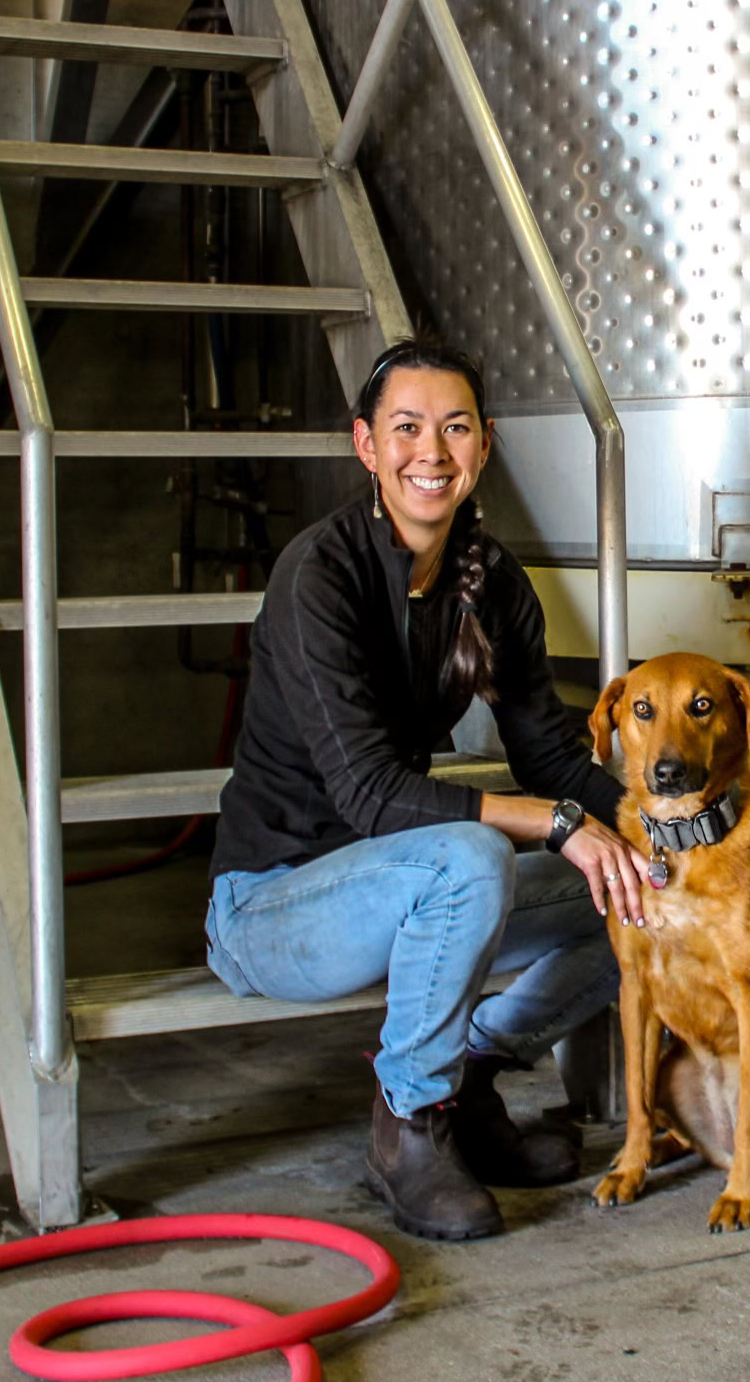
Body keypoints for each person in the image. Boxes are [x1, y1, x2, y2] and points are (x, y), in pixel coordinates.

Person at [204, 337, 653, 1241]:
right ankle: (408, 1131)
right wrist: (559, 823)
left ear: (483, 445)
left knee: (642, 883)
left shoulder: (493, 583)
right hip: (274, 907)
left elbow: (554, 761)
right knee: (471, 858)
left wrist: (666, 832)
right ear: (367, 446)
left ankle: (471, 1073)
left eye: (454, 429)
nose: (432, 453)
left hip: (397, 885)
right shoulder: (316, 578)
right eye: (407, 429)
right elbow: (372, 796)